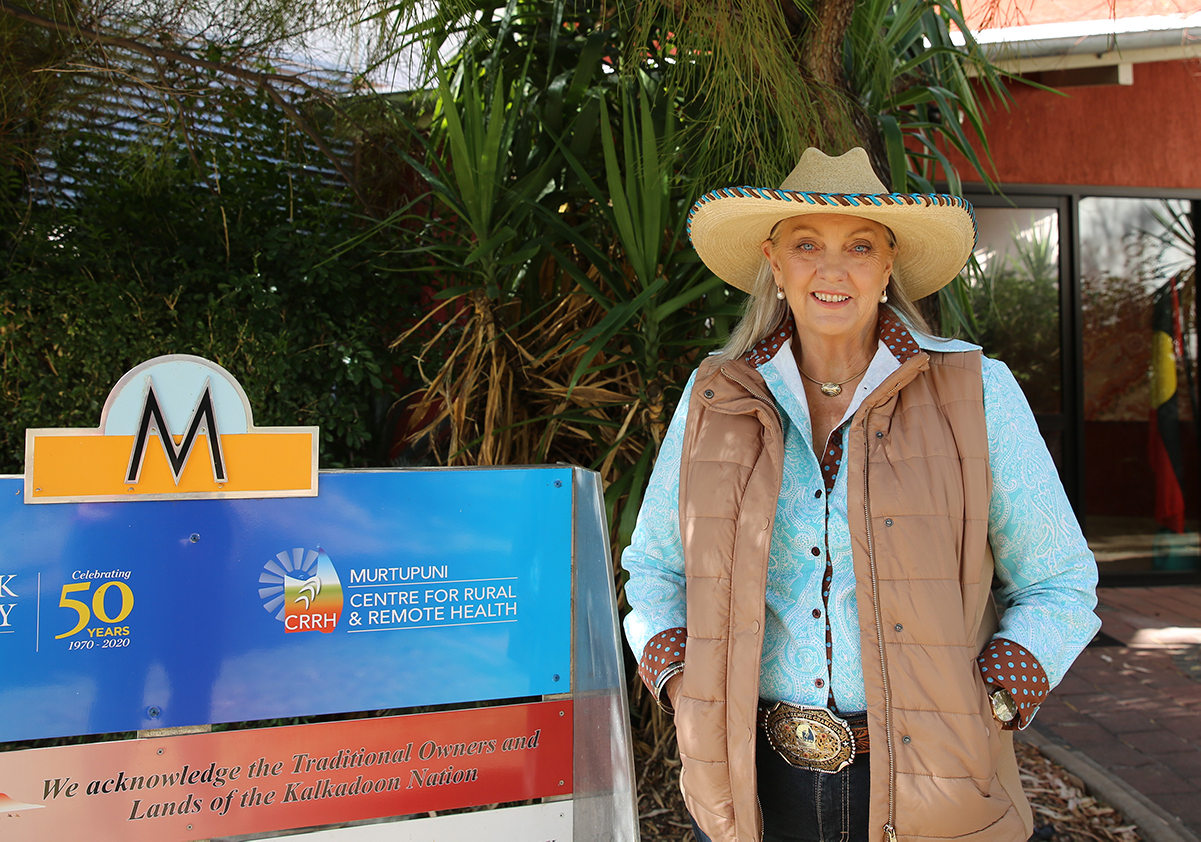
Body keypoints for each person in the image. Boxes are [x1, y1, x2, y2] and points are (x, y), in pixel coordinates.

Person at [621, 147, 1100, 842]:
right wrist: (684, 689)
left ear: (886, 267)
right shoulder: (714, 397)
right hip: (750, 787)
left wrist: (987, 702)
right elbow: (655, 569)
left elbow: (1059, 580)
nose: (832, 267)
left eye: (859, 245)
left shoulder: (974, 391)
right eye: (806, 243)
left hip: (933, 780)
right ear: (774, 263)